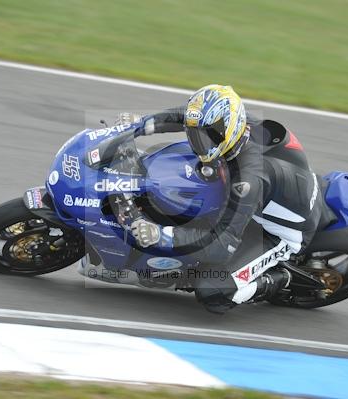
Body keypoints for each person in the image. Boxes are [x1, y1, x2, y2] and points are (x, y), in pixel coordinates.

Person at [128, 84, 322, 314]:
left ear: (227, 131)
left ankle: (281, 278)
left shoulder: (247, 181)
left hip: (281, 231)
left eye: (208, 136)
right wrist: (142, 124)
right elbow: (187, 116)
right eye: (196, 134)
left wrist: (162, 235)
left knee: (212, 290)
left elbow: (222, 244)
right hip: (274, 193)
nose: (201, 142)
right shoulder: (235, 121)